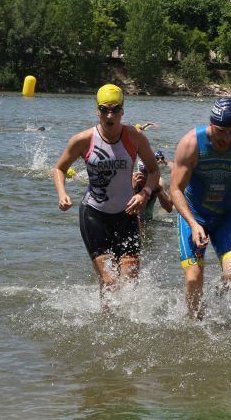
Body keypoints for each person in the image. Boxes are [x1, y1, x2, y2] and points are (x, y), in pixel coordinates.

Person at [52, 84, 161, 306]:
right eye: (104, 109)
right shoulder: (83, 140)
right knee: (110, 281)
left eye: (115, 109)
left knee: (130, 281)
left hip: (127, 215)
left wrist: (145, 194)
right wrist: (62, 193)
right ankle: (106, 326)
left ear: (123, 110)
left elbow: (154, 170)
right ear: (97, 110)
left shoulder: (135, 137)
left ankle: (128, 330)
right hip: (94, 215)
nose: (109, 115)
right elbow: (59, 168)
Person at [169, 97, 231, 318]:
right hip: (193, 216)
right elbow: (175, 190)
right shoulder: (191, 144)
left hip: (226, 217)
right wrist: (193, 224)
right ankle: (194, 323)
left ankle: (212, 303)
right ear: (211, 124)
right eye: (221, 131)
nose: (227, 138)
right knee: (194, 277)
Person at [132, 151, 174, 222]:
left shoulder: (156, 182)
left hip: (148, 221)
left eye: (150, 173)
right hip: (131, 221)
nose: (146, 176)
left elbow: (169, 209)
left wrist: (158, 190)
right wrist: (134, 188)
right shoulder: (132, 180)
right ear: (139, 172)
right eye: (145, 172)